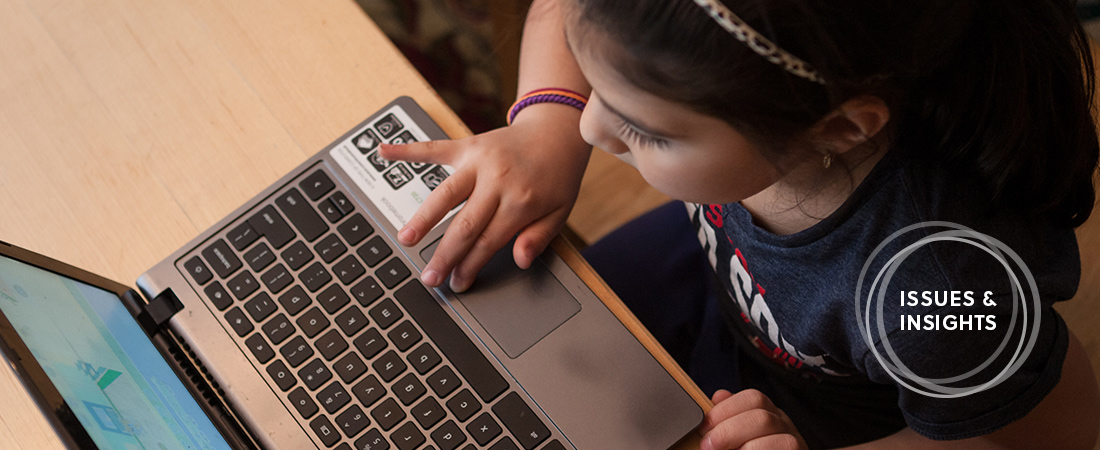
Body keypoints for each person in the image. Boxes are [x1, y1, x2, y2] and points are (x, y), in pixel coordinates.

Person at [379, 0, 1100, 447]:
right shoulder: (709, 61)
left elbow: (1060, 432)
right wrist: (546, 116)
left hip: (806, 417)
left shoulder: (933, 286)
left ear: (840, 128)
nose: (592, 128)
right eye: (595, 94)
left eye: (645, 129)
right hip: (717, 285)